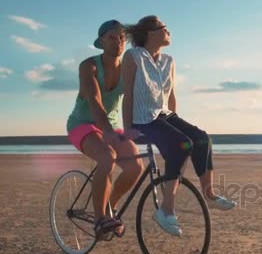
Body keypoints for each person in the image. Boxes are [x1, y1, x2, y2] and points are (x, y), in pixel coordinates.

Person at [122, 15, 236, 237]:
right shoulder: (133, 57)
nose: (168, 31)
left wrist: (177, 123)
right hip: (142, 119)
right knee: (182, 144)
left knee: (201, 138)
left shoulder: (169, 61)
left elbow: (171, 95)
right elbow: (128, 95)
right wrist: (128, 129)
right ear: (149, 33)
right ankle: (166, 209)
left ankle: (209, 195)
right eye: (164, 27)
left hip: (165, 116)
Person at [67, 20, 144, 238]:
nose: (118, 42)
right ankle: (100, 219)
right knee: (107, 157)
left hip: (111, 126)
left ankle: (110, 205)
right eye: (111, 37)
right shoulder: (88, 66)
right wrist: (108, 132)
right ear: (101, 42)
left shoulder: (128, 69)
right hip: (82, 124)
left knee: (135, 166)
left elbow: (135, 100)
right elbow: (94, 100)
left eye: (121, 37)